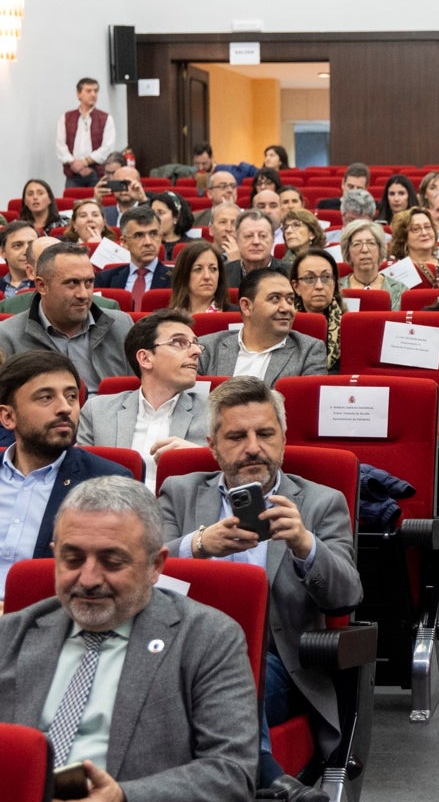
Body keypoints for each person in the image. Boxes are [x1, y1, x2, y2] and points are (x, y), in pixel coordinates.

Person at [159, 375, 362, 793]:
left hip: (274, 663)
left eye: (265, 433)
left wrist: (306, 545)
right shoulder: (178, 493)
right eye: (237, 436)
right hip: (177, 650)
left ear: (283, 439)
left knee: (221, 686)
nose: (253, 447)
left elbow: (347, 596)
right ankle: (271, 777)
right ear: (213, 445)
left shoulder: (319, 502)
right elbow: (137, 570)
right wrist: (197, 545)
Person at [0, 476, 259, 800]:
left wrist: (124, 797)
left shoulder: (208, 639)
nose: (89, 579)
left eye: (112, 561)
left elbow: (232, 773)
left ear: (155, 565)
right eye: (73, 559)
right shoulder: (11, 634)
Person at [0, 350, 135, 602]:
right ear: (8, 417)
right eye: (45, 397)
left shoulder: (107, 482)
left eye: (71, 396)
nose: (65, 408)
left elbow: (116, 581)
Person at [77, 309, 207, 486]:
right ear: (145, 358)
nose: (196, 351)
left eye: (195, 343)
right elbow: (79, 479)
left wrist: (201, 457)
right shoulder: (97, 411)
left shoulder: (216, 412)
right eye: (179, 342)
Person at [0, 242, 134, 394]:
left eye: (89, 282)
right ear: (42, 285)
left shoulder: (122, 325)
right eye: (72, 283)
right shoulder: (7, 337)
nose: (83, 294)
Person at [197, 267, 326, 384]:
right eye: (275, 298)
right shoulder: (206, 349)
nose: (286, 308)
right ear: (247, 306)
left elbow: (307, 407)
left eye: (290, 299)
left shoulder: (308, 351)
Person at [95, 207, 173, 311]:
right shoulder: (105, 279)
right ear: (125, 242)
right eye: (139, 235)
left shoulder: (177, 278)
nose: (148, 242)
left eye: (153, 234)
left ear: (160, 237)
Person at [291, 247, 346, 371]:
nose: (319, 286)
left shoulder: (349, 327)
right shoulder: (284, 325)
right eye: (309, 278)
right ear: (296, 287)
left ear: (335, 283)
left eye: (326, 277)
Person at [56, 77, 116, 187]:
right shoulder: (66, 117)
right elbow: (61, 146)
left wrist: (84, 162)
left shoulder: (106, 118)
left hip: (96, 173)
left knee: (96, 203)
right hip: (72, 172)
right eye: (88, 91)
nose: (93, 94)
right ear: (78, 94)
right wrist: (74, 163)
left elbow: (107, 148)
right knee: (72, 203)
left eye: (96, 91)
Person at [339, 219, 405, 310]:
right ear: (347, 251)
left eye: (371, 243)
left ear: (380, 249)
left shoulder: (400, 290)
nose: (365, 250)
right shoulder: (336, 290)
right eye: (357, 244)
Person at [225, 210, 285, 290]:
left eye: (262, 236)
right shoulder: (222, 273)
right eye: (248, 236)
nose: (256, 242)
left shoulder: (290, 273)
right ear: (237, 240)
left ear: (273, 239)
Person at [169, 239, 231, 315]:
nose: (207, 276)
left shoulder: (238, 316)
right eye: (198, 269)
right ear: (184, 275)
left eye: (213, 269)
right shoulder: (167, 321)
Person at [388, 207, 439, 288]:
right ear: (403, 237)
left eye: (427, 227)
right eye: (416, 229)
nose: (424, 233)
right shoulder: (397, 269)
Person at [147, 191, 195, 259]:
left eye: (160, 213)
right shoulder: (146, 244)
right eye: (152, 213)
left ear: (176, 217)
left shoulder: (193, 246)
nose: (154, 218)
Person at [0, 221, 36, 297]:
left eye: (32, 244)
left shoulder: (50, 285)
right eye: (17, 245)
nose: (26, 251)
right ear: (3, 252)